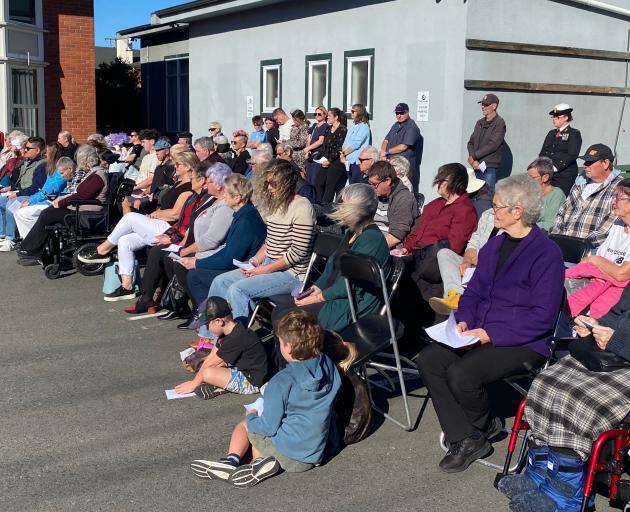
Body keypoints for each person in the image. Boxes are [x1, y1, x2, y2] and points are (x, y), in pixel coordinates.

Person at [417, 174, 565, 474]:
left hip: (523, 340)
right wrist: (465, 320)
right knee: (429, 360)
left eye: (497, 207)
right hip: (480, 328)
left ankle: (483, 423)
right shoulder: (494, 246)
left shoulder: (546, 253)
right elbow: (473, 292)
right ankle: (469, 436)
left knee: (462, 374)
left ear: (517, 210)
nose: (491, 211)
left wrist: (489, 333)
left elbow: (542, 316)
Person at [499, 286, 630, 512]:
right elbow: (617, 313)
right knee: (545, 384)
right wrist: (595, 326)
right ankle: (539, 475)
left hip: (623, 358)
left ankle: (566, 497)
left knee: (581, 401)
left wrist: (616, 340)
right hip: (609, 355)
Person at [189, 310, 342, 487]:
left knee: (249, 425)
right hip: (318, 450)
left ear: (288, 347)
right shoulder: (327, 364)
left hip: (290, 453)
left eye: (281, 342)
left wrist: (252, 416)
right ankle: (263, 463)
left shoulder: (282, 380)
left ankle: (235, 462)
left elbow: (268, 427)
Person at [270, 183, 391, 336]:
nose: (340, 207)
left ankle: (305, 358)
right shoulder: (352, 232)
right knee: (279, 311)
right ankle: (291, 359)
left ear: (357, 208)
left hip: (349, 305)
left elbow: (349, 285)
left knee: (287, 320)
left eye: (344, 204)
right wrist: (315, 289)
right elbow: (331, 269)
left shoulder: (372, 239)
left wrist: (317, 298)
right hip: (334, 296)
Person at [77, 152, 197, 300]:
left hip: (170, 228)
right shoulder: (177, 183)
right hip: (161, 222)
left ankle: (103, 249)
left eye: (179, 165)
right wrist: (155, 212)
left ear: (188, 167)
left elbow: (175, 214)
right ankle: (127, 286)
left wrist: (156, 214)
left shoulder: (189, 187)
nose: (175, 167)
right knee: (124, 241)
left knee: (130, 217)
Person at [208, 160, 315, 322]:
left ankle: (240, 338)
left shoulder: (302, 207)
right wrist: (255, 260)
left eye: (273, 184)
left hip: (290, 273)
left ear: (286, 183)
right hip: (268, 264)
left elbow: (297, 253)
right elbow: (270, 240)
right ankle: (209, 336)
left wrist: (265, 270)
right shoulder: (276, 204)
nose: (270, 188)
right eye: (268, 184)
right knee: (220, 281)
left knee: (238, 290)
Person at [125, 163, 232, 315]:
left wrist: (183, 247)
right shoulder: (203, 198)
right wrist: (172, 237)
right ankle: (152, 298)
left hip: (201, 247)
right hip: (188, 241)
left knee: (172, 259)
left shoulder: (216, 202)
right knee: (156, 251)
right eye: (206, 179)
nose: (190, 181)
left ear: (218, 184)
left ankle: (192, 307)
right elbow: (188, 224)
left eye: (194, 178)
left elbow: (210, 237)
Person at [183, 174, 267, 325]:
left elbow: (229, 260)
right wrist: (199, 261)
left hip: (245, 269)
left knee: (195, 276)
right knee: (195, 272)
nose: (223, 196)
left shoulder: (246, 221)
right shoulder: (243, 214)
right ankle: (208, 321)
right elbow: (228, 251)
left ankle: (211, 323)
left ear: (238, 198)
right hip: (240, 263)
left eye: (227, 194)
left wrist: (198, 263)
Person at [18, 145, 108, 266]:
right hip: (80, 209)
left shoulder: (97, 175)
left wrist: (61, 202)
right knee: (49, 213)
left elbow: (82, 195)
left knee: (48, 214)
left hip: (85, 212)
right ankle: (33, 249)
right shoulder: (94, 173)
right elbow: (80, 194)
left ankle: (31, 250)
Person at [393, 163, 478, 290]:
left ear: (455, 182)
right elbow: (417, 232)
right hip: (415, 256)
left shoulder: (465, 210)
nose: (438, 183)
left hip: (432, 263)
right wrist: (405, 249)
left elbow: (454, 247)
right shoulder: (434, 205)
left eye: (442, 180)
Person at [174, 296, 268, 399]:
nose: (206, 328)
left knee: (207, 373)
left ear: (219, 321)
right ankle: (219, 383)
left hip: (251, 381)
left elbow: (212, 362)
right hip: (239, 369)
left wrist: (194, 383)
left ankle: (220, 386)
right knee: (205, 367)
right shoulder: (229, 330)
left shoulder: (237, 336)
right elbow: (213, 354)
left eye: (207, 325)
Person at [563, 178, 630, 319]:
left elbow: (620, 274)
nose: (613, 202)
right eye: (614, 197)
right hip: (595, 284)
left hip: (619, 299)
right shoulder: (617, 224)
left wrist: (595, 260)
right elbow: (597, 265)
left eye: (619, 198)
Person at [428, 208, 499, 315]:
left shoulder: (516, 229)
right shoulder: (488, 214)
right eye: (493, 204)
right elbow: (474, 241)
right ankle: (455, 295)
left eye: (497, 205)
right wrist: (467, 261)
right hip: (475, 264)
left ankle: (461, 299)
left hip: (492, 271)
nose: (493, 210)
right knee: (444, 253)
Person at [551, 143, 622, 249]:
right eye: (585, 161)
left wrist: (579, 245)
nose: (585, 165)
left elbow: (609, 226)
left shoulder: (619, 187)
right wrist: (556, 236)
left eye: (590, 162)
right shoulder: (580, 182)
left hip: (590, 250)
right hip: (562, 244)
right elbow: (562, 211)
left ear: (606, 163)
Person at [14, 156, 74, 240]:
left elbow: (48, 192)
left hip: (54, 204)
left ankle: (32, 241)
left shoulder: (67, 178)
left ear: (70, 169)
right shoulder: (56, 172)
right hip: (49, 201)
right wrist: (31, 200)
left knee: (21, 213)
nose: (61, 176)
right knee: (17, 211)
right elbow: (46, 191)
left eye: (62, 173)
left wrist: (30, 201)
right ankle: (29, 240)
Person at [0, 136, 47, 242]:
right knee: (0, 201)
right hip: (21, 192)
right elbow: (19, 182)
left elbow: (36, 188)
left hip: (32, 195)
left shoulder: (42, 165)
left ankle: (10, 238)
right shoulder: (27, 162)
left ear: (38, 150)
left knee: (11, 205)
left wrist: (16, 194)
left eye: (28, 148)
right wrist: (9, 190)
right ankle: (2, 234)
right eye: (25, 147)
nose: (25, 150)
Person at [367, 160, 418, 248]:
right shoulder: (374, 194)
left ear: (388, 181)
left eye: (375, 184)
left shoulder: (404, 199)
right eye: (370, 183)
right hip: (369, 240)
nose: (372, 187)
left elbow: (395, 237)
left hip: (387, 248)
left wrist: (373, 249)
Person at [539, 103, 582, 197]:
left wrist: (555, 167)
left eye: (557, 117)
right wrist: (542, 167)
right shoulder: (551, 133)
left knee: (560, 198)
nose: (554, 119)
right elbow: (543, 152)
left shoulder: (574, 133)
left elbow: (572, 154)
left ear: (566, 117)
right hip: (548, 173)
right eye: (553, 117)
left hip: (564, 174)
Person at [380, 102, 423, 191]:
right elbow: (386, 140)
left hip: (404, 167)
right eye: (397, 113)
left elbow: (403, 147)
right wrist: (382, 153)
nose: (399, 115)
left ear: (407, 112)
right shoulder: (395, 125)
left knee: (404, 190)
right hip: (392, 164)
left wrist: (387, 152)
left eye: (402, 113)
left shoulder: (412, 127)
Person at [466, 93, 506, 188]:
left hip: (488, 168)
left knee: (486, 198)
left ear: (494, 106)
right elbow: (471, 142)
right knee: (473, 197)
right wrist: (473, 159)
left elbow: (493, 145)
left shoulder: (500, 123)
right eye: (482, 104)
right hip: (475, 166)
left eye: (486, 105)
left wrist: (474, 156)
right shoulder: (479, 122)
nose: (483, 107)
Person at [313, 107, 348, 204]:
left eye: (329, 116)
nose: (327, 117)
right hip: (325, 160)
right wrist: (322, 159)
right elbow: (325, 145)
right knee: (319, 182)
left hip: (336, 162)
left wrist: (330, 160)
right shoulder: (328, 129)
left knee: (330, 185)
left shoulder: (343, 130)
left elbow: (339, 147)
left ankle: (325, 206)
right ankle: (318, 203)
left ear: (336, 117)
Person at [526, 157, 565, 232]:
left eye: (532, 178)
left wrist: (525, 228)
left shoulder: (556, 194)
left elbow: (550, 223)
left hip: (542, 234)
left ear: (545, 177)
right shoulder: (529, 192)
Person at [341, 104, 371, 184]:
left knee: (357, 185)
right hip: (349, 162)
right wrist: (342, 154)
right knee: (351, 185)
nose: (351, 113)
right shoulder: (352, 127)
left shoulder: (364, 127)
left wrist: (344, 153)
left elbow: (356, 144)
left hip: (357, 162)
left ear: (359, 113)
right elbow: (345, 142)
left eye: (353, 111)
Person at [303, 106, 329, 185]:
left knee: (315, 180)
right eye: (315, 114)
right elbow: (308, 139)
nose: (317, 115)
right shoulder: (314, 126)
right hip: (310, 156)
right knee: (308, 180)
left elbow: (320, 141)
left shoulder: (325, 126)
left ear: (325, 115)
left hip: (318, 156)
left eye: (319, 114)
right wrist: (307, 150)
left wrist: (308, 149)